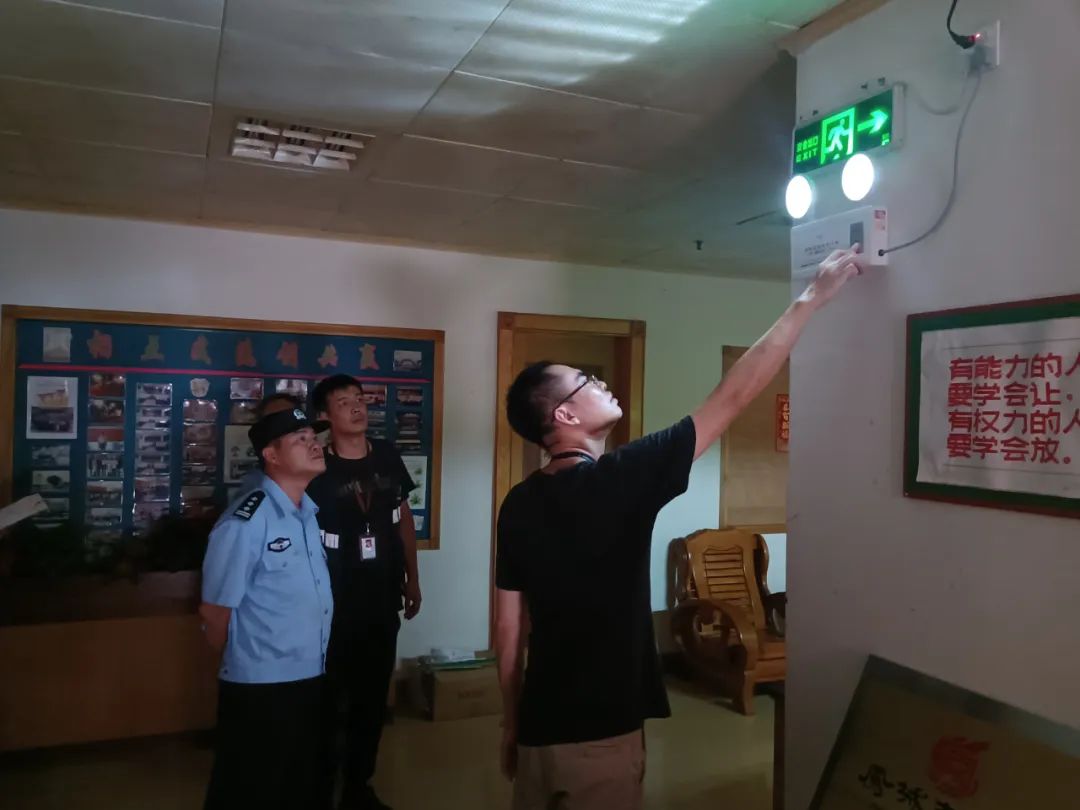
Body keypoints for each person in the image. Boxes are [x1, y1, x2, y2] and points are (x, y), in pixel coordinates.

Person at [494, 247, 868, 810]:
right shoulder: (621, 478)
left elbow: (508, 626)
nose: (600, 383)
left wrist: (511, 720)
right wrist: (811, 298)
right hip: (602, 725)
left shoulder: (518, 502)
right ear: (564, 417)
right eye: (585, 381)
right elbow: (733, 396)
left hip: (540, 722)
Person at [199, 405, 334, 810]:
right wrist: (247, 663)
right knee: (251, 789)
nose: (314, 444)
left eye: (314, 437)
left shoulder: (307, 514)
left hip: (309, 676)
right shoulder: (246, 521)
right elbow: (214, 613)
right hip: (260, 686)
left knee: (300, 785)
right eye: (300, 439)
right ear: (271, 456)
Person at [308, 374, 422, 810]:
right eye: (343, 402)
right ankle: (321, 790)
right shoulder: (316, 465)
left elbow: (402, 517)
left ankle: (359, 788)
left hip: (381, 595)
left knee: (372, 700)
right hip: (331, 602)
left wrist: (413, 577)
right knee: (327, 700)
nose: (357, 407)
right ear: (324, 416)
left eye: (359, 399)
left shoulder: (387, 455)